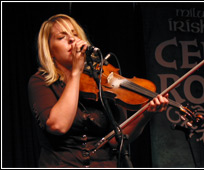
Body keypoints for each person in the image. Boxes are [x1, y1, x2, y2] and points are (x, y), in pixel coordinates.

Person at [28, 14, 169, 168]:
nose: (72, 40)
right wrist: (76, 72)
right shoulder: (40, 81)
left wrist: (145, 114)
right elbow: (58, 126)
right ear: (50, 50)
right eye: (62, 37)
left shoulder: (100, 79)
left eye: (75, 34)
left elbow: (117, 140)